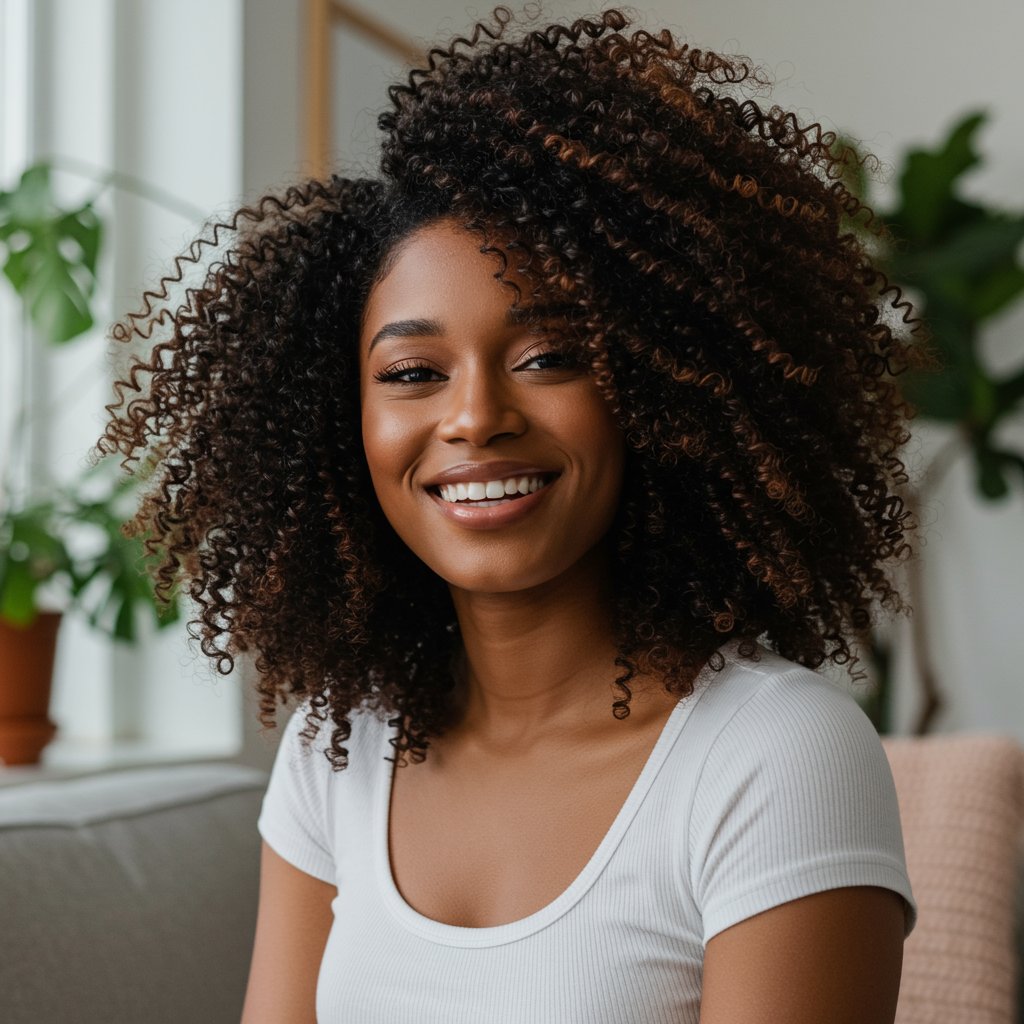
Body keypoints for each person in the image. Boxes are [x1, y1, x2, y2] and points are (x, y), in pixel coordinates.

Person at [93, 6, 929, 1022]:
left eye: (549, 357)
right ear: (339, 421)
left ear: (663, 393)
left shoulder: (775, 752)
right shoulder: (337, 745)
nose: (476, 417)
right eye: (411, 372)